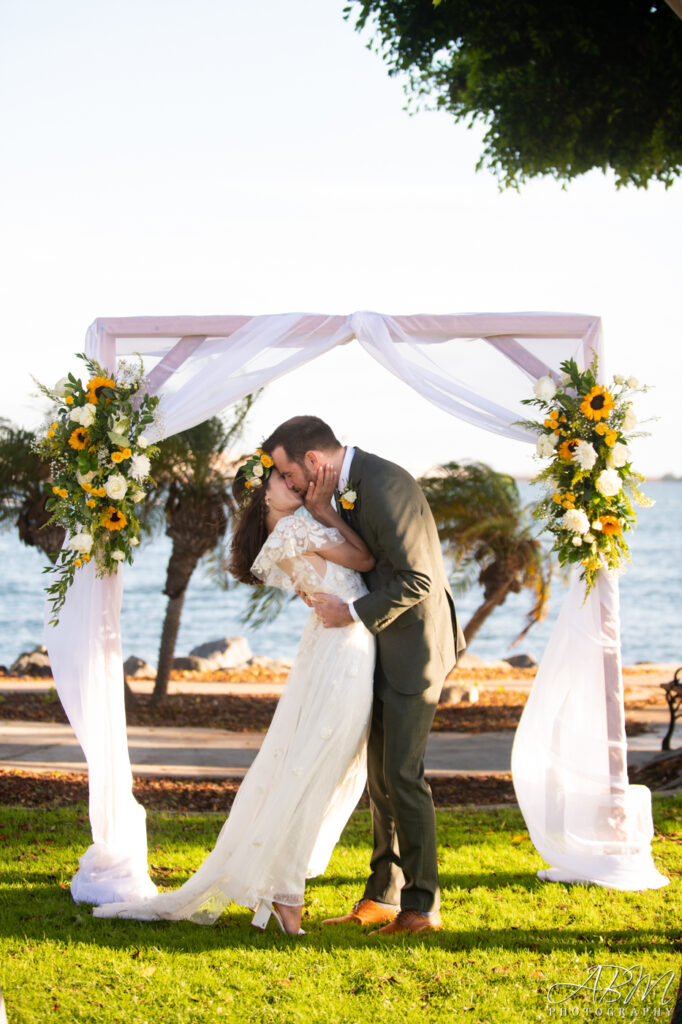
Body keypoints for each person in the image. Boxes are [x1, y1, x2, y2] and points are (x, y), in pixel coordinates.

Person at [94, 450, 376, 935]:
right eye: (285, 480)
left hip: (334, 646)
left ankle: (279, 887)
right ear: (265, 492)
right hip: (343, 651)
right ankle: (285, 892)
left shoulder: (282, 531)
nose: (298, 482)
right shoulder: (296, 528)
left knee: (309, 764)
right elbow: (366, 559)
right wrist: (328, 508)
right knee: (315, 768)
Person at [262, 416, 465, 936]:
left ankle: (421, 908)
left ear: (312, 462)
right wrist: (323, 511)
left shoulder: (385, 483)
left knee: (402, 774)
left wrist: (350, 615)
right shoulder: (335, 490)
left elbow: (417, 577)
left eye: (287, 473)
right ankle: (383, 895)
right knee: (378, 778)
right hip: (377, 647)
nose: (287, 484)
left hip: (414, 646)